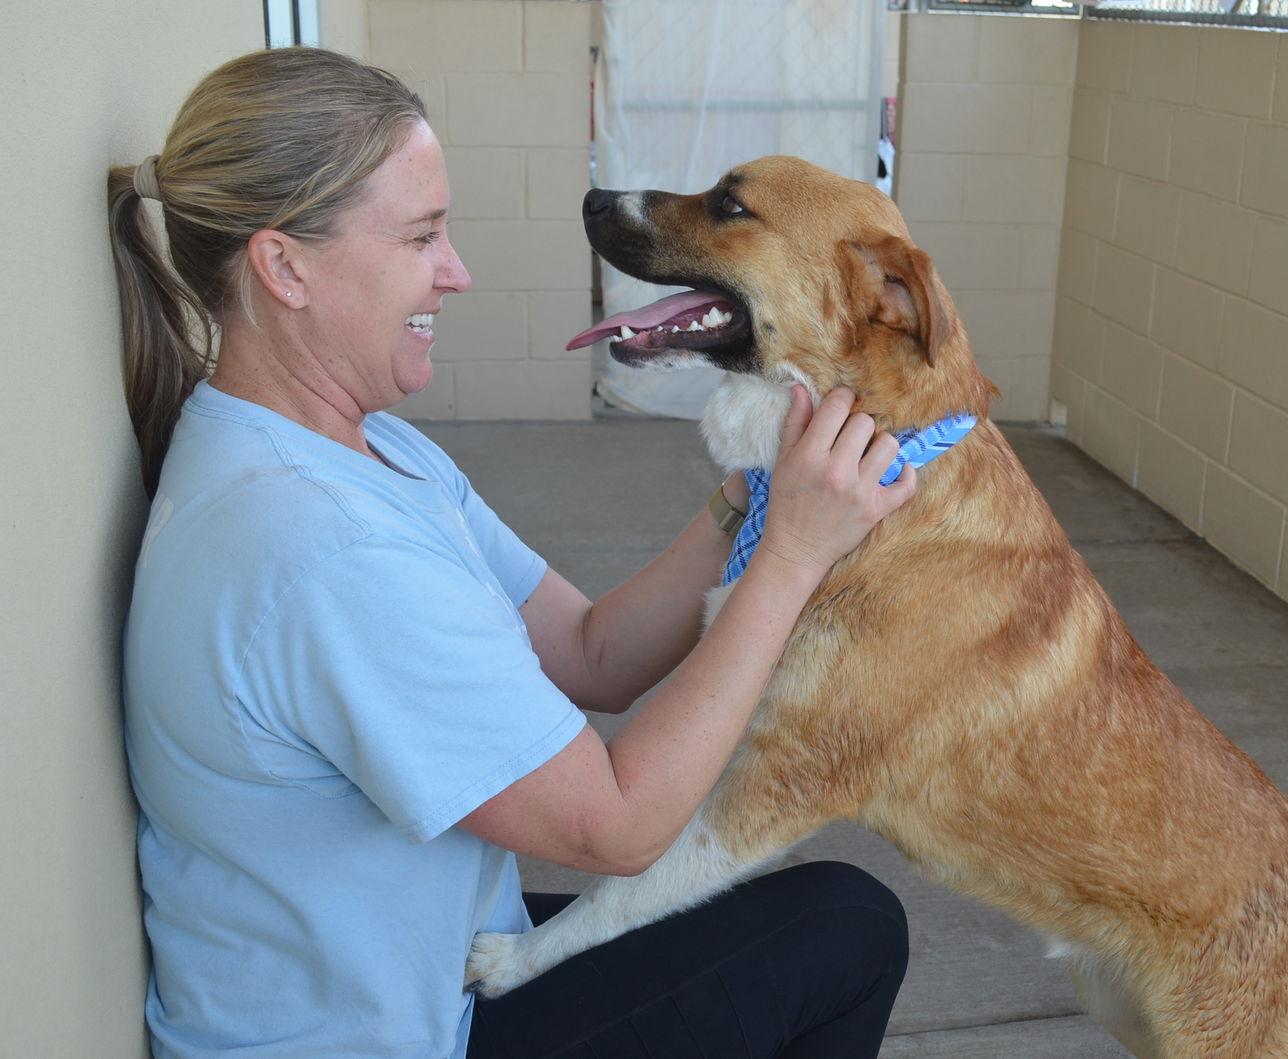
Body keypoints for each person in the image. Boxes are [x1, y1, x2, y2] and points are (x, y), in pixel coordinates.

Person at [110, 47, 917, 1058]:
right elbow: (616, 826)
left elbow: (588, 653)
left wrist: (751, 503)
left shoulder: (360, 450)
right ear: (284, 268)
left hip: (435, 965)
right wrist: (791, 558)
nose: (457, 272)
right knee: (843, 928)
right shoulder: (316, 547)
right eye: (421, 237)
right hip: (391, 1039)